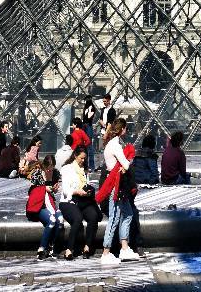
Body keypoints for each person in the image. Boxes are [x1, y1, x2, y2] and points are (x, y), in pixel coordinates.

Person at [98, 119, 141, 264]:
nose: (126, 131)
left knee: (128, 213)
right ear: (122, 129)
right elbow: (126, 165)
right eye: (126, 128)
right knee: (114, 218)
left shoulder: (112, 143)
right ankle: (106, 252)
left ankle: (124, 248)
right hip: (115, 186)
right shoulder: (115, 145)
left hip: (119, 185)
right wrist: (131, 156)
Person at [58, 145, 99, 259]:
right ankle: (69, 249)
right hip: (69, 201)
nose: (83, 160)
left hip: (82, 200)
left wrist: (88, 191)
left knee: (93, 216)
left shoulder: (84, 170)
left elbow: (86, 185)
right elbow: (66, 191)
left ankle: (87, 247)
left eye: (85, 158)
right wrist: (77, 192)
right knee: (77, 219)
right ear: (75, 156)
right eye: (81, 158)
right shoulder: (67, 168)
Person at [26, 153, 63, 261]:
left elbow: (53, 190)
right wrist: (44, 188)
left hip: (50, 202)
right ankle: (42, 249)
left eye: (51, 169)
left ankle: (52, 246)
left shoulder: (56, 173)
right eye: (48, 169)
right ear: (44, 166)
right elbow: (31, 191)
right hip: (39, 204)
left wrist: (54, 189)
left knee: (60, 220)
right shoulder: (37, 173)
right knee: (51, 220)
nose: (49, 171)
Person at [82, 94, 98, 172]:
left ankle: (91, 165)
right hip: (85, 125)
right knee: (85, 145)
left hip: (88, 125)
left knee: (89, 145)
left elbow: (89, 117)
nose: (86, 101)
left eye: (87, 100)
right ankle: (86, 165)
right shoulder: (85, 107)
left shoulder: (92, 107)